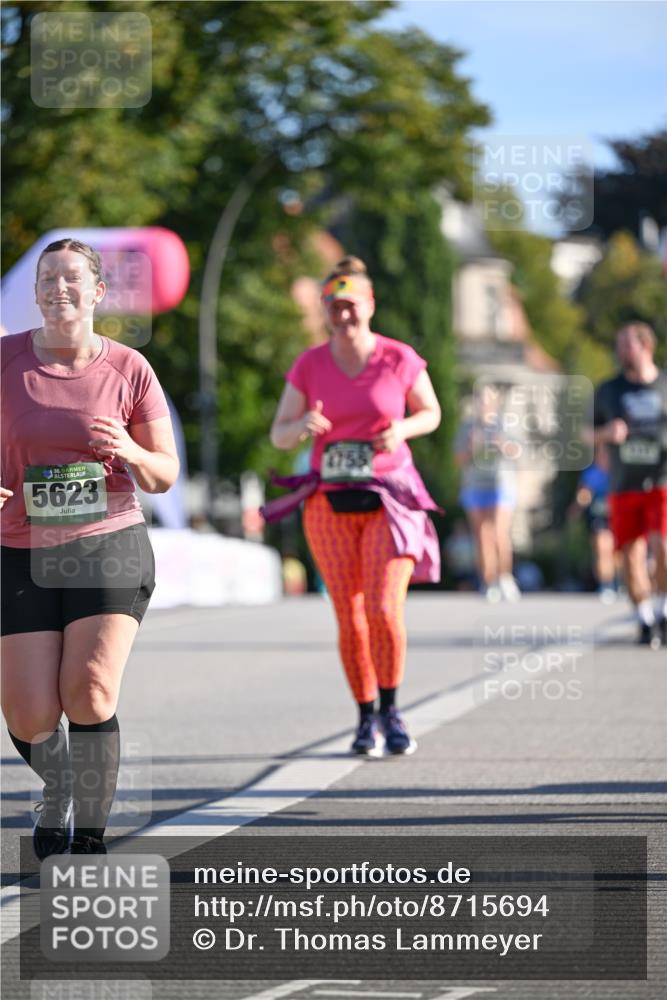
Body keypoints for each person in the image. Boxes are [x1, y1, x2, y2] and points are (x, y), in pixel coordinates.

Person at [1, 238, 179, 857]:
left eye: (72, 278)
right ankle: (59, 786)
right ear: (37, 291)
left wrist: (129, 452)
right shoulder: (4, 360)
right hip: (19, 547)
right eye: (48, 277)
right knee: (28, 716)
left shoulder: (129, 368)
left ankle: (91, 834)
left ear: (98, 292)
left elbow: (164, 472)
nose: (59, 288)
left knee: (90, 690)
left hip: (107, 542)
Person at [267, 256, 441, 756]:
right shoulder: (310, 364)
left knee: (385, 608)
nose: (343, 315)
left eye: (351, 306)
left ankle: (392, 709)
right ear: (325, 310)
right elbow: (279, 433)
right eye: (333, 307)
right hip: (329, 501)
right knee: (350, 615)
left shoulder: (398, 357)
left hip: (390, 496)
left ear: (369, 305)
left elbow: (430, 411)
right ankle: (365, 717)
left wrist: (400, 429)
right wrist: (301, 429)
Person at [593, 322, 667, 646]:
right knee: (631, 555)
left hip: (662, 480)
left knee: (663, 547)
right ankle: (645, 619)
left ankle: (663, 609)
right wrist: (606, 434)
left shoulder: (664, 385)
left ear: (646, 346)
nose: (621, 351)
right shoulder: (608, 389)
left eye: (627, 345)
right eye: (619, 345)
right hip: (623, 483)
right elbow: (586, 432)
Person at [454, 384, 520, 602]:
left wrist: (502, 444)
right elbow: (458, 460)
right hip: (475, 485)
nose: (483, 404)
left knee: (500, 532)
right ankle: (489, 581)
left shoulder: (504, 425)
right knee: (482, 535)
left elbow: (518, 452)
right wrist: (472, 447)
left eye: (487, 399)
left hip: (500, 483)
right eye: (479, 399)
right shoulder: (468, 427)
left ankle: (506, 577)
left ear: (494, 402)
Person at [569, 445, 617, 603]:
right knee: (602, 549)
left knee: (619, 553)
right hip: (599, 517)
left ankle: (620, 581)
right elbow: (585, 493)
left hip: (618, 515)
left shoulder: (618, 470)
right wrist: (576, 508)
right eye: (600, 453)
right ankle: (606, 584)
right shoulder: (592, 472)